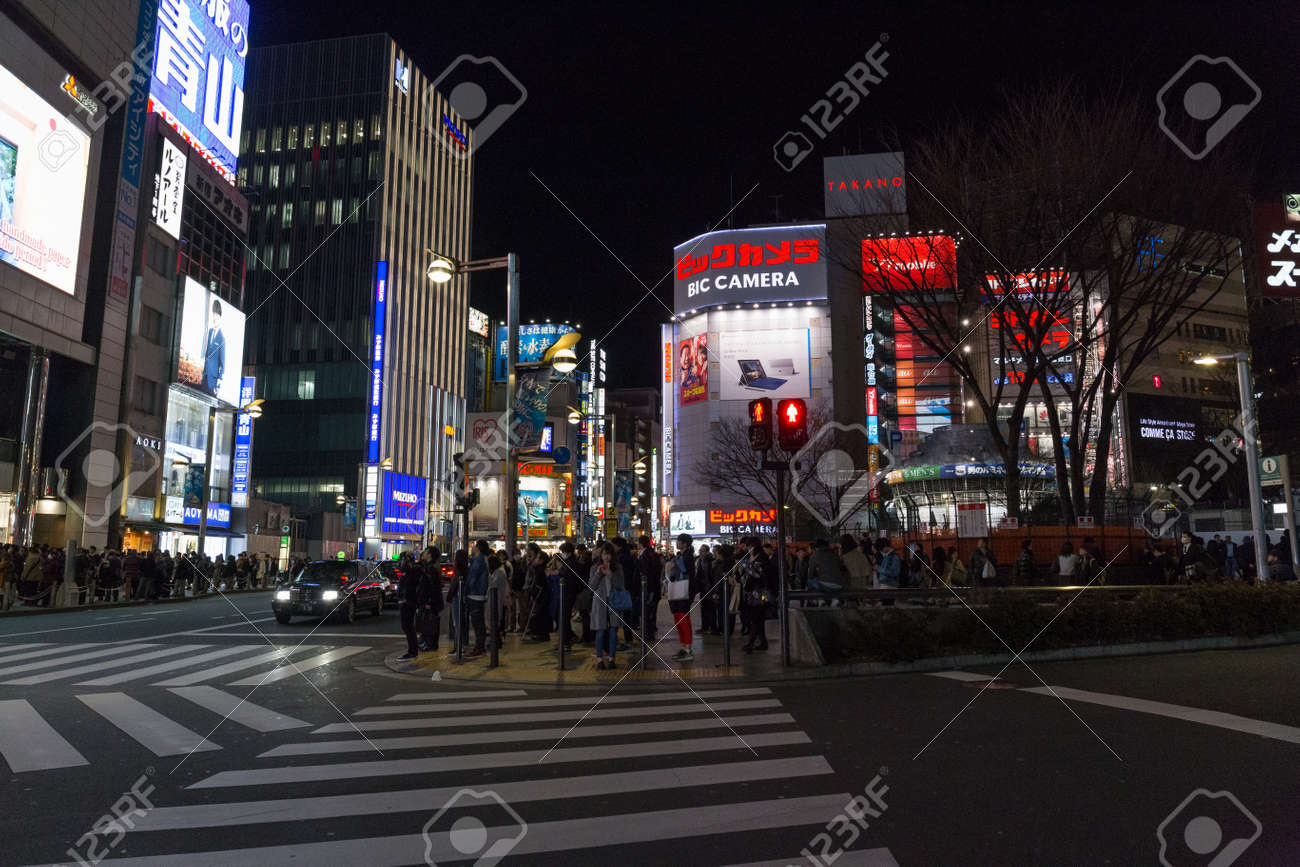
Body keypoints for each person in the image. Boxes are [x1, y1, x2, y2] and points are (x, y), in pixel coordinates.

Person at [737, 536, 777, 652]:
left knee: (756, 618)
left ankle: (751, 643)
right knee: (758, 619)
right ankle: (762, 642)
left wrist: (746, 566)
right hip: (751, 592)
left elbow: (759, 575)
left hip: (759, 593)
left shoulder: (761, 558)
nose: (748, 549)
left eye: (749, 546)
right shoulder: (751, 557)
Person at [590, 542, 625, 670]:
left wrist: (611, 575)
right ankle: (600, 659)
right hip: (600, 603)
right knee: (600, 631)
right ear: (601, 555)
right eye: (605, 554)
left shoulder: (618, 568)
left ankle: (612, 659)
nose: (607, 557)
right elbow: (591, 586)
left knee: (613, 632)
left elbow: (621, 585)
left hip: (614, 603)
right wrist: (599, 573)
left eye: (609, 554)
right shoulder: (595, 568)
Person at [665, 533, 696, 661]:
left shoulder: (688, 556)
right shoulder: (682, 555)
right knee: (679, 619)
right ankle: (684, 647)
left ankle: (687, 649)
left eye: (678, 541)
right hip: (679, 589)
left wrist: (674, 564)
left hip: (684, 590)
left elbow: (685, 570)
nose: (677, 543)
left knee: (682, 619)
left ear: (684, 543)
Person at [465, 540, 490, 657]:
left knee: (477, 623)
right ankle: (480, 647)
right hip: (479, 594)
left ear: (478, 548)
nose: (473, 547)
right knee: (479, 623)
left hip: (475, 594)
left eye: (474, 545)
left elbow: (472, 578)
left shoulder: (478, 560)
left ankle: (479, 647)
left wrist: (466, 589)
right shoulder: (482, 559)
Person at [416, 547, 443, 651]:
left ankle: (429, 645)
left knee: (428, 623)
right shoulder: (429, 567)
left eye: (426, 552)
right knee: (428, 623)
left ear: (430, 555)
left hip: (429, 602)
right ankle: (430, 645)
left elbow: (432, 587)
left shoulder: (431, 569)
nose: (423, 553)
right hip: (430, 601)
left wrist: (429, 602)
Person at [396, 551, 421, 660]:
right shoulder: (410, 571)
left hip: (408, 602)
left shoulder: (413, 570)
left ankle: (412, 651)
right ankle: (412, 651)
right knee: (407, 626)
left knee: (408, 626)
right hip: (407, 601)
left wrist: (405, 599)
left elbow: (410, 587)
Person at [637, 535, 662, 641]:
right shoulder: (652, 554)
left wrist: (650, 590)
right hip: (652, 588)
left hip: (648, 588)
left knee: (647, 612)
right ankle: (648, 633)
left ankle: (648, 635)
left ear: (641, 543)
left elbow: (648, 573)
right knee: (649, 612)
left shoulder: (647, 555)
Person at [203, 297, 227, 397]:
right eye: (213, 314)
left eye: (216, 314)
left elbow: (223, 364)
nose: (214, 317)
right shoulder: (209, 332)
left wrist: (219, 381)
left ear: (220, 316)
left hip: (213, 380)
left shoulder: (222, 339)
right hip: (204, 375)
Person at [840, 535, 873, 600]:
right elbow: (870, 576)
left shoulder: (844, 558)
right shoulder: (862, 556)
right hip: (862, 586)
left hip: (849, 586)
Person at [696, 544, 717, 632]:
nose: (700, 552)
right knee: (704, 608)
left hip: (710, 587)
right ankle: (705, 627)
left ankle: (713, 627)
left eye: (702, 551)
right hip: (703, 587)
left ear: (707, 552)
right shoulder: (700, 561)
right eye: (700, 551)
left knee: (711, 609)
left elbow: (712, 575)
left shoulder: (710, 560)